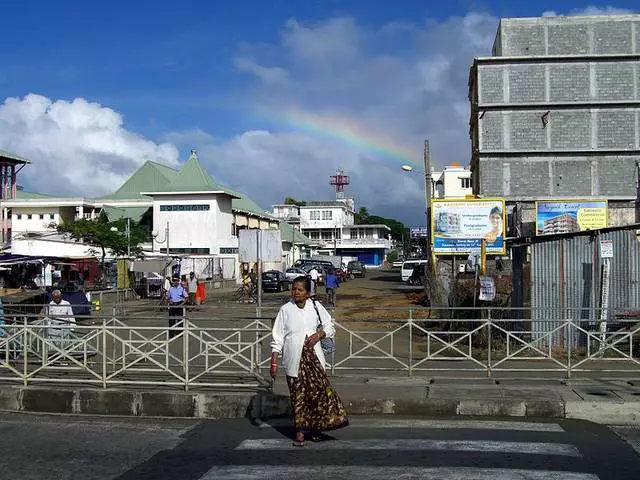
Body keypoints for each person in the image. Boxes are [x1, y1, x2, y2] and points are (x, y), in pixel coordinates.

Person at [270, 276, 348, 447]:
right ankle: (300, 432)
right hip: (293, 361)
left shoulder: (315, 307)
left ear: (307, 292)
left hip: (315, 360)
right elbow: (278, 337)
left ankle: (316, 429)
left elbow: (330, 326)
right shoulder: (285, 310)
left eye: (300, 290)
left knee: (317, 396)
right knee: (298, 398)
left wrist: (319, 335)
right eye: (294, 289)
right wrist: (274, 361)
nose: (296, 293)